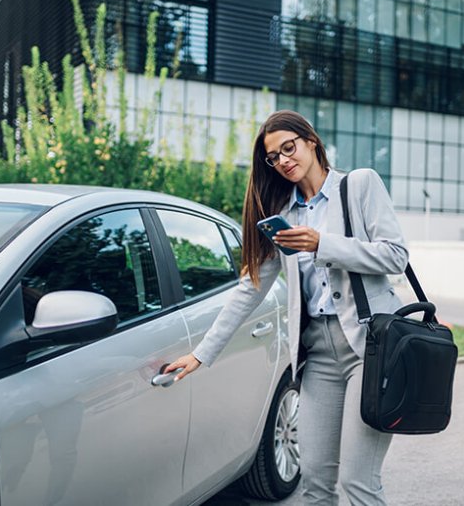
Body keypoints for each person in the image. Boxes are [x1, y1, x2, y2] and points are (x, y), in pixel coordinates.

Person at [165, 109, 408, 505]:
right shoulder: (285, 215)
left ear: (311, 141)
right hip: (318, 356)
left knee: (357, 483)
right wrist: (200, 354)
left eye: (288, 148)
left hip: (370, 350)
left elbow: (395, 256)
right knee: (313, 481)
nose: (283, 160)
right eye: (273, 157)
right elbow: (251, 288)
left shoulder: (359, 185)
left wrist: (322, 245)